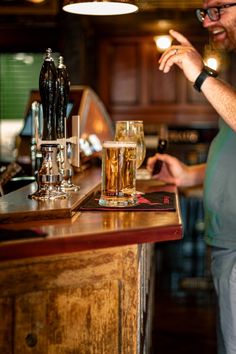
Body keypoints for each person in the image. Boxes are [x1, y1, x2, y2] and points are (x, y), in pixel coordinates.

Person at [146, 1, 236, 353]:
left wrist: (201, 75)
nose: (209, 21)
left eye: (218, 9)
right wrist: (188, 176)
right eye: (204, 12)